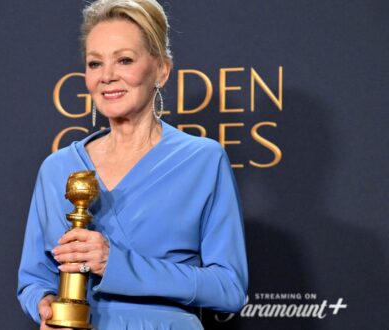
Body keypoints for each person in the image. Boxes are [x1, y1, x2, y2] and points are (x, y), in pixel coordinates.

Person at [17, 0, 248, 328]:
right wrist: (45, 304)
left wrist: (116, 264)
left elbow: (229, 288)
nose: (107, 76)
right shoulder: (57, 169)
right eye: (94, 64)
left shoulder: (203, 161)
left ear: (161, 70)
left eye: (124, 60)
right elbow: (34, 277)